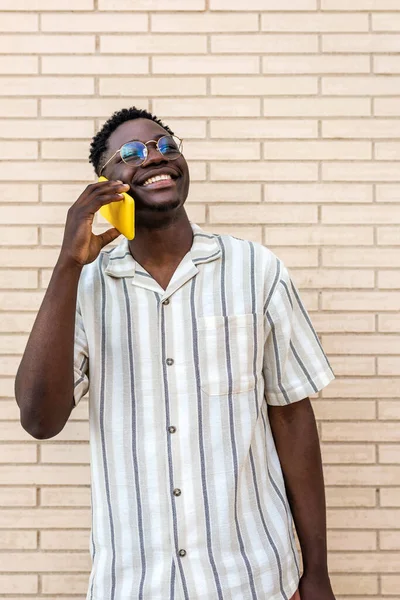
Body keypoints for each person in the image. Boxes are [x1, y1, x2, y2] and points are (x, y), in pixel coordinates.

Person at [15, 107, 336, 600]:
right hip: (135, 584)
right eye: (131, 153)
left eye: (166, 145)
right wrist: (67, 264)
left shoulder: (256, 270)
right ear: (105, 183)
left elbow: (292, 419)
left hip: (253, 578)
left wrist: (315, 573)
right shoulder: (85, 289)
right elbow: (40, 419)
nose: (154, 157)